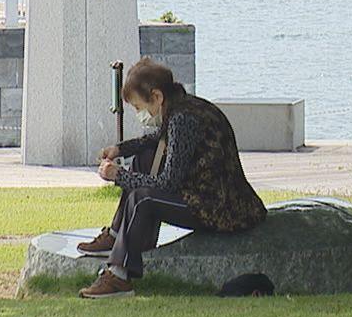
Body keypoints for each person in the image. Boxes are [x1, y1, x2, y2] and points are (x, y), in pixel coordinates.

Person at [76, 58, 267, 298]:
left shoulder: (182, 119)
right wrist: (121, 149)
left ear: (156, 97)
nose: (140, 114)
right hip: (217, 197)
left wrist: (119, 176)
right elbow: (156, 138)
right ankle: (117, 238)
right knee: (143, 159)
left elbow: (167, 183)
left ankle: (119, 276)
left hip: (219, 208)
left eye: (138, 107)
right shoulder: (185, 107)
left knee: (142, 199)